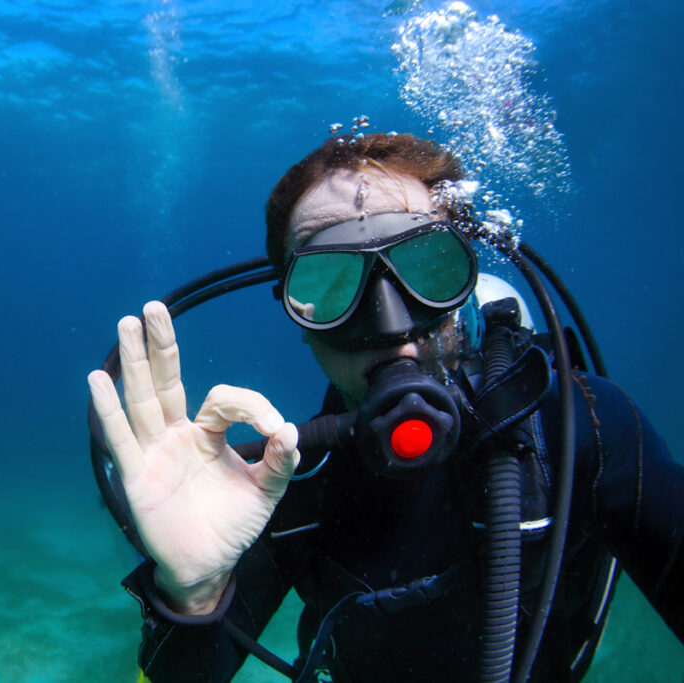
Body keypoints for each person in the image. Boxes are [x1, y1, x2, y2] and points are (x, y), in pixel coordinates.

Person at [87, 133, 683, 682]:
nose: (393, 327)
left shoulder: (582, 429)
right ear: (301, 323)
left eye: (428, 268)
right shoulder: (283, 481)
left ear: (467, 283)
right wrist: (193, 592)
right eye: (330, 285)